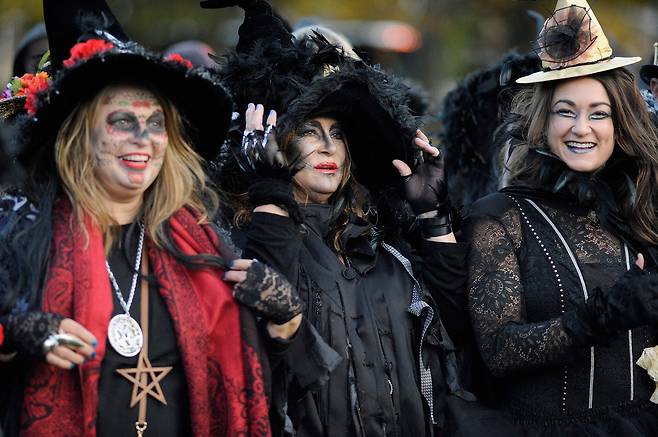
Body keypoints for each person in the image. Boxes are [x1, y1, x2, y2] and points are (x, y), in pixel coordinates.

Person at [0, 1, 298, 436]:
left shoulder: (199, 245)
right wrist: (11, 336)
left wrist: (285, 321)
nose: (143, 139)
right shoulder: (20, 233)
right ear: (81, 134)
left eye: (156, 122)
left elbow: (244, 377)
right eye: (122, 121)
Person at [202, 1, 471, 436]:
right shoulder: (238, 241)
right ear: (272, 140)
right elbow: (256, 355)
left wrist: (434, 219)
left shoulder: (383, 248)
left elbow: (458, 333)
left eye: (338, 134)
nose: (328, 147)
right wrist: (270, 194)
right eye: (309, 131)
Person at [464, 0, 658, 434]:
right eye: (565, 111)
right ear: (543, 122)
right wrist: (602, 315)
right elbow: (498, 350)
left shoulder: (639, 211)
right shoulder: (500, 217)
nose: (581, 128)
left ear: (620, 123)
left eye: (599, 113)